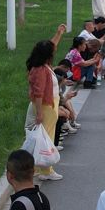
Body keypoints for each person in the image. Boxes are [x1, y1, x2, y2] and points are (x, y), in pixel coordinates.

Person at [26, 30, 68, 180]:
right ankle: (46, 170)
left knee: (42, 137)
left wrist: (59, 33)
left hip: (48, 104)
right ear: (46, 55)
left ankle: (37, 167)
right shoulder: (41, 70)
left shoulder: (40, 65)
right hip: (45, 107)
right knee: (47, 138)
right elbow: (39, 93)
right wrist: (39, 113)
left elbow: (52, 45)